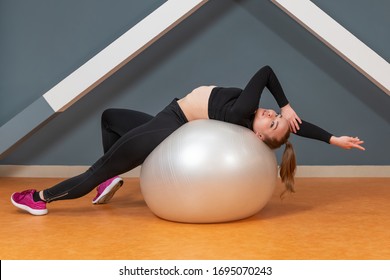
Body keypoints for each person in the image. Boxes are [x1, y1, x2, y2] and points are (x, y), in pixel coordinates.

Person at [11, 66, 365, 215]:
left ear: (258, 136)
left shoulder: (245, 110)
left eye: (272, 123)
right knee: (111, 118)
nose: (273, 115)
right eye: (274, 114)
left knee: (96, 168)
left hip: (170, 126)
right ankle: (107, 184)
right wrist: (333, 139)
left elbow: (266, 71)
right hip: (171, 118)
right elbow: (296, 127)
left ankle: (41, 198)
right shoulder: (255, 116)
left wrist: (286, 105)